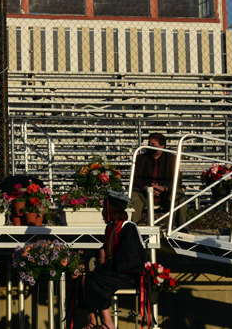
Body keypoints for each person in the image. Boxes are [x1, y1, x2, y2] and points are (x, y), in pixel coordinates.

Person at [75, 191, 146, 329]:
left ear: (111, 210)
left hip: (130, 274)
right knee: (83, 278)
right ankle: (93, 321)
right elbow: (108, 248)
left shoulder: (128, 227)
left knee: (94, 280)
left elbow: (130, 257)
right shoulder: (110, 227)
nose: (102, 212)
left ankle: (108, 323)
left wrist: (108, 263)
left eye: (104, 209)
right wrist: (101, 251)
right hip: (115, 271)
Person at [130, 133, 187, 228]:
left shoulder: (171, 159)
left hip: (165, 195)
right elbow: (135, 178)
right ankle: (135, 228)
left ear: (162, 146)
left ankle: (182, 229)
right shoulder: (140, 158)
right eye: (149, 143)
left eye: (153, 144)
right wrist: (147, 188)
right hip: (145, 194)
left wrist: (163, 188)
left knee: (179, 194)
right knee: (134, 194)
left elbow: (177, 179)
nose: (149, 146)